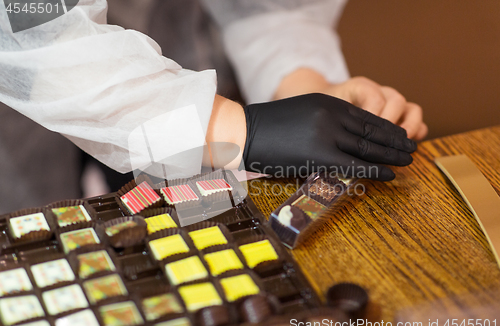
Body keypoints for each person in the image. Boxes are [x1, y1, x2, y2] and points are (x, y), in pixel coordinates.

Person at [0, 0, 422, 212]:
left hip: (181, 49)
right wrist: (238, 129)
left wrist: (299, 81)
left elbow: (269, 8)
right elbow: (33, 40)